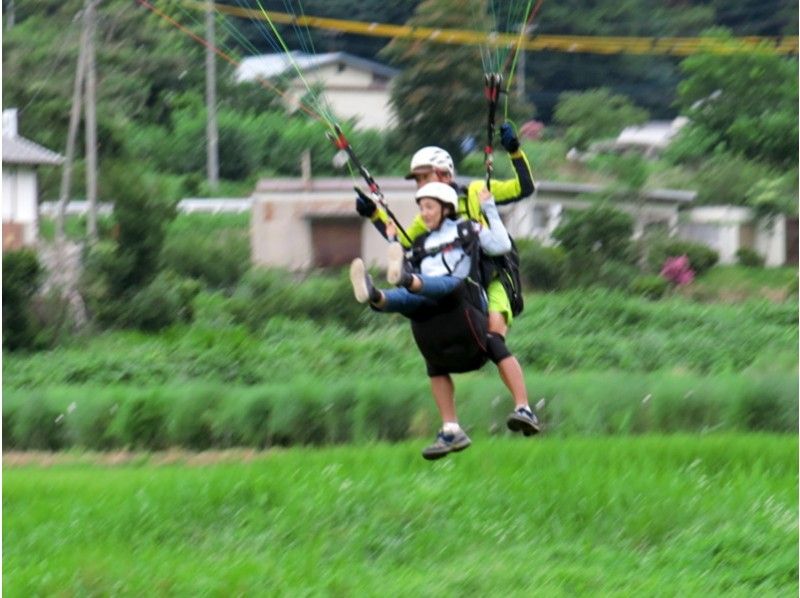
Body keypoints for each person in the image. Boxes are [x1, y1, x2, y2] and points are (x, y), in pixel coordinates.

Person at [354, 125, 539, 459]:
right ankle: (450, 427)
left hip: (491, 277)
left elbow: (525, 188)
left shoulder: (477, 192)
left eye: (423, 178)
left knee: (493, 334)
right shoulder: (430, 211)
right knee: (431, 349)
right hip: (453, 284)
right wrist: (374, 215)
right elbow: (406, 244)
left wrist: (514, 151)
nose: (419, 187)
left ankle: (523, 408)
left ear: (442, 174)